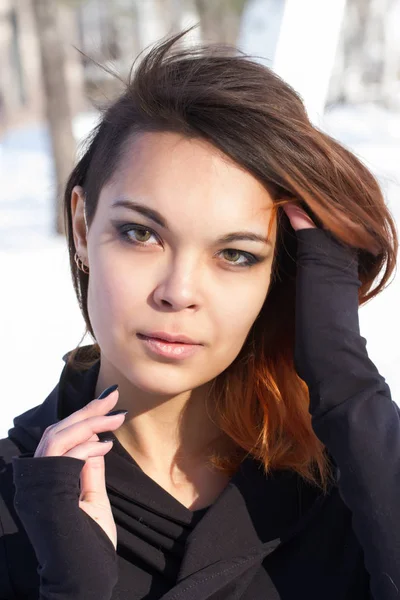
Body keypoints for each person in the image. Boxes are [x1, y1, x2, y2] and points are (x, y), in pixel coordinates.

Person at [0, 26, 399, 600]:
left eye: (235, 255)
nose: (179, 291)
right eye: (141, 233)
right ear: (84, 227)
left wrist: (342, 374)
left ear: (282, 272)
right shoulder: (18, 505)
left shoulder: (353, 484)